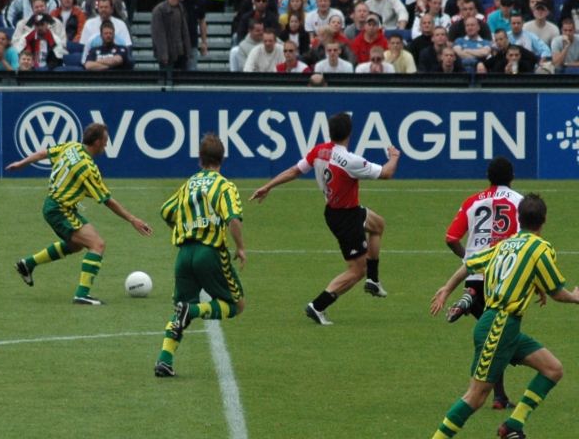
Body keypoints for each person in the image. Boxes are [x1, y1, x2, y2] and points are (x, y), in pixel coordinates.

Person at [430, 193, 579, 439]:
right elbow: (558, 293)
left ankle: (513, 425)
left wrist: (447, 288)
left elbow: (470, 264)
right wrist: (574, 296)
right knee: (476, 396)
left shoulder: (505, 244)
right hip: (498, 325)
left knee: (552, 369)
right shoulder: (541, 248)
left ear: (519, 219)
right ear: (544, 221)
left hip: (503, 325)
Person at [250, 112, 401, 325]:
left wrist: (268, 186)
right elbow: (386, 173)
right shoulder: (350, 160)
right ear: (350, 133)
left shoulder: (319, 151)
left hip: (339, 210)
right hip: (345, 218)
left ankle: (373, 280)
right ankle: (318, 305)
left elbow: (294, 171)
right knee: (356, 270)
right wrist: (394, 156)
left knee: (378, 225)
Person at [6, 123, 152, 306]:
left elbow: (44, 153)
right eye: (105, 142)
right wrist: (133, 219)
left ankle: (27, 264)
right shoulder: (87, 168)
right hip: (60, 210)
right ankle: (82, 294)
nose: (106, 146)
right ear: (97, 142)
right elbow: (107, 200)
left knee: (75, 245)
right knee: (97, 245)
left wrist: (22, 163)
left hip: (56, 206)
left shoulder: (71, 147)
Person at [154, 133, 246, 378]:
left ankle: (165, 360)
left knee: (179, 309)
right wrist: (240, 247)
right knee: (236, 305)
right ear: (222, 158)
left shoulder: (189, 184)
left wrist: (183, 230)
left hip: (184, 254)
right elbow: (233, 219)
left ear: (200, 158)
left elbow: (166, 211)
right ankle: (192, 311)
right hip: (210, 253)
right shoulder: (224, 186)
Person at [443, 156, 523, 410]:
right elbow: (524, 242)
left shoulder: (471, 202)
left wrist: (468, 258)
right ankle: (498, 397)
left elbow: (450, 238)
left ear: (488, 177)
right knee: (501, 336)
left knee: (494, 336)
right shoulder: (520, 202)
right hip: (503, 278)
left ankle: (470, 298)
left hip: (474, 274)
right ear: (511, 177)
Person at [151, 0, 192, 71]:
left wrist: (188, 52)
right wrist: (164, 55)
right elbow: (159, 35)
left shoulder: (181, 8)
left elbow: (185, 31)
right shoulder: (160, 10)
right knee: (167, 80)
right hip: (169, 55)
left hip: (181, 54)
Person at [183, 0, 208, 71]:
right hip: (178, 43)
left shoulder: (200, 1)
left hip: (192, 42)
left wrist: (204, 42)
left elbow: (202, 21)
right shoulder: (179, 0)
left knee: (191, 71)